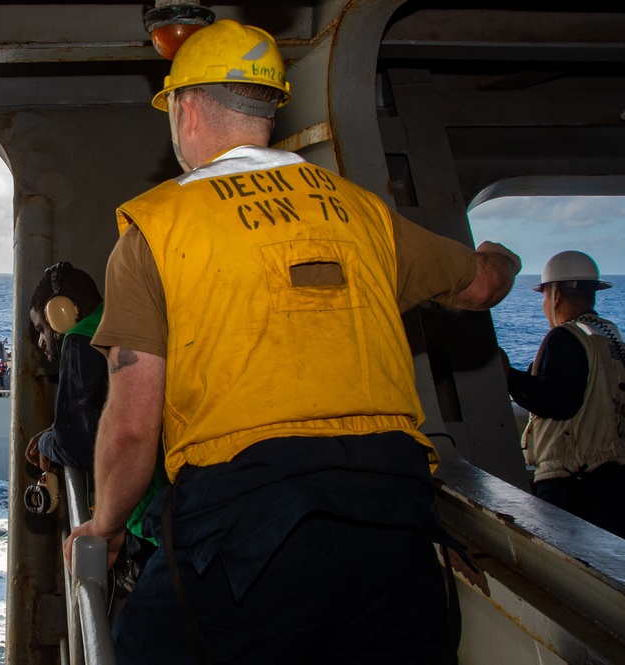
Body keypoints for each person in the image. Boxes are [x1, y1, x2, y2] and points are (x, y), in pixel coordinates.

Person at [63, 19, 521, 664]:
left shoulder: (156, 228)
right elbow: (480, 287)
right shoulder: (363, 212)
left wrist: (106, 526)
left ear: (186, 109)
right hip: (395, 513)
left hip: (246, 522)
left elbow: (135, 425)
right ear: (270, 110)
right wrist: (504, 260)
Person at [503, 250, 625, 538]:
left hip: (572, 480)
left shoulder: (565, 337)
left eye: (545, 296)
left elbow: (558, 401)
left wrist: (508, 376)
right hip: (611, 478)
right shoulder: (610, 336)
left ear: (555, 294)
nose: (545, 305)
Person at [25, 262, 108, 472]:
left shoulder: (80, 338)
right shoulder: (110, 323)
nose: (41, 342)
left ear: (60, 312)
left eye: (41, 329)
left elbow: (78, 446)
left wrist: (45, 444)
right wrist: (55, 430)